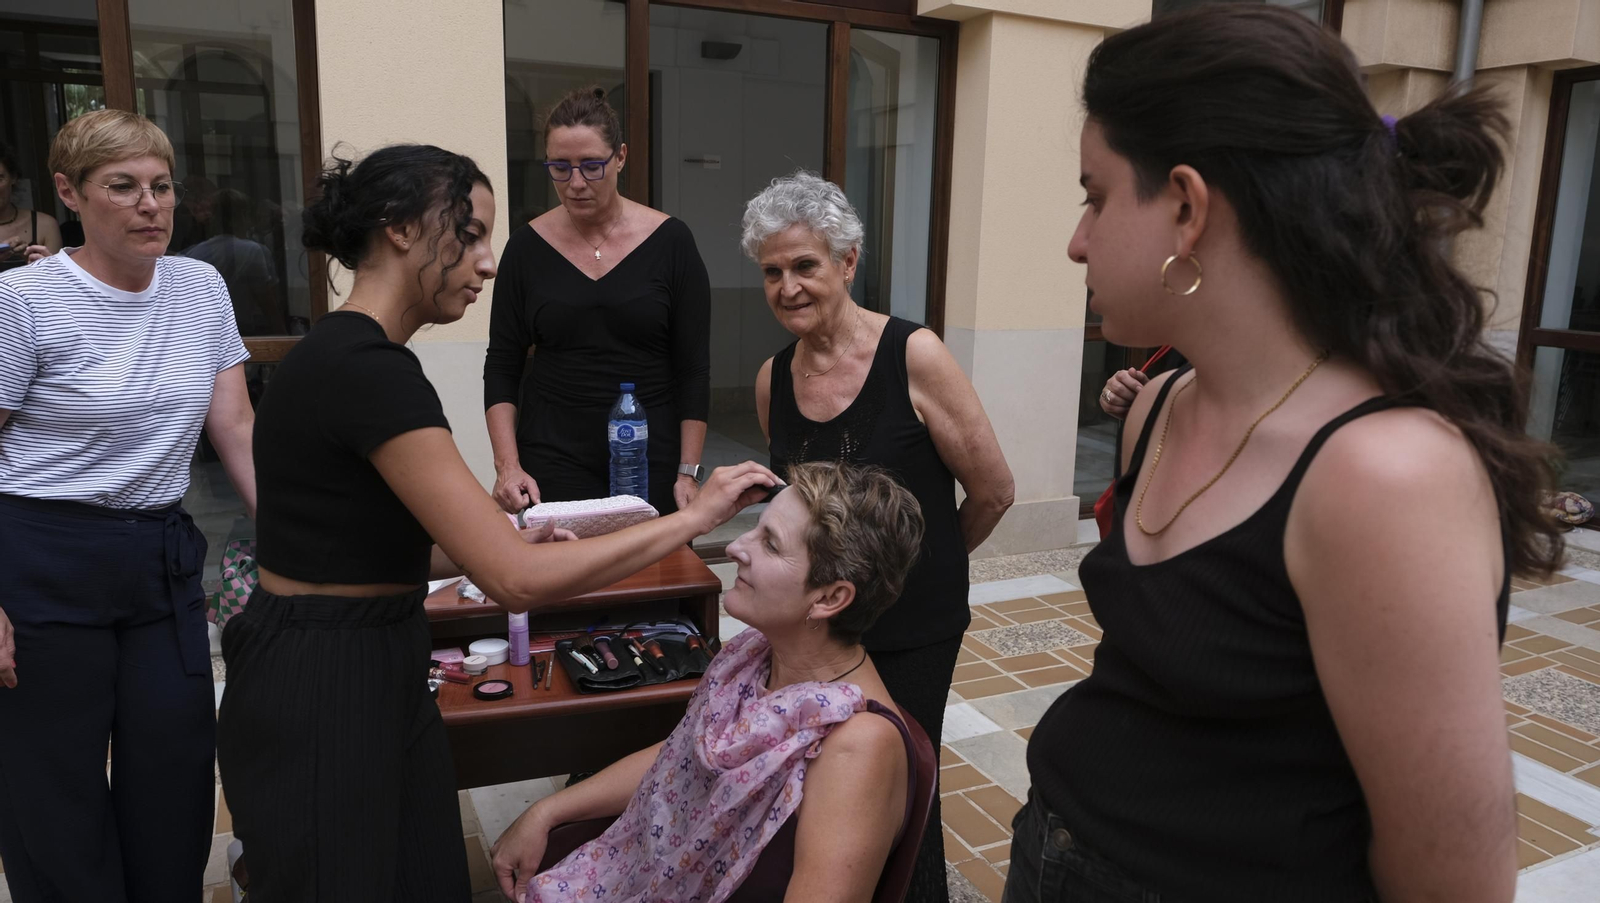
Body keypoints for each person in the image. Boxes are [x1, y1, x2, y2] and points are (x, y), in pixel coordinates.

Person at [1011, 7, 1561, 902]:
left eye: (1096, 194)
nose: (1077, 238)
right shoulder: (1159, 408)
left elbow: (1453, 879)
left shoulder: (1382, 474)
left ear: (1186, 207)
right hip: (1052, 856)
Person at [216, 144, 777, 902]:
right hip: (327, 680)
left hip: (364, 653)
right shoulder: (367, 370)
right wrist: (695, 517)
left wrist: (505, 536)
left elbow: (369, 542)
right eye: (471, 233)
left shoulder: (346, 354)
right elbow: (511, 581)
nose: (487, 261)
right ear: (402, 229)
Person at [0, 110, 256, 902]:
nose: (151, 205)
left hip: (158, 558)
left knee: (175, 771)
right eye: (124, 187)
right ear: (71, 194)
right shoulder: (22, 299)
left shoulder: (200, 286)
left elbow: (238, 427)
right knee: (55, 795)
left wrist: (297, 549)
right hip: (41, 556)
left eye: (162, 186)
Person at [745, 170, 1015, 903]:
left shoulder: (913, 355)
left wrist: (916, 567)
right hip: (823, 630)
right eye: (772, 272)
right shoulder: (774, 380)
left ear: (847, 262)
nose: (789, 286)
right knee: (827, 784)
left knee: (901, 788)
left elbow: (993, 489)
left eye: (805, 265)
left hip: (913, 626)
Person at [491, 461, 926, 903]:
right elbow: (683, 758)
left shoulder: (858, 748)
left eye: (770, 544)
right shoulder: (756, 656)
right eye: (756, 530)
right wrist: (546, 811)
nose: (737, 546)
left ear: (830, 597)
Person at [484, 87, 710, 516]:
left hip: (649, 454)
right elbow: (502, 364)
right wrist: (508, 467)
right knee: (562, 577)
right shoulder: (526, 249)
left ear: (620, 157)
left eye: (592, 166)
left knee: (657, 577)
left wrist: (688, 471)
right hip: (552, 454)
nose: (575, 183)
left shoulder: (672, 242)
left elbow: (694, 367)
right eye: (559, 168)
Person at [182, 188, 285, 334]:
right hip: (242, 332)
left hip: (204, 333)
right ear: (243, 216)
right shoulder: (253, 251)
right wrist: (283, 336)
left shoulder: (194, 252)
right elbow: (267, 302)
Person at [0, 141, 63, 270]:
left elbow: (57, 282)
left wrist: (31, 260)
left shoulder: (45, 225)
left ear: (13, 178)